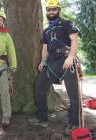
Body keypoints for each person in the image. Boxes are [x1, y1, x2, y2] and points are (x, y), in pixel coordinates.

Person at [28, 0, 80, 135]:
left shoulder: (66, 23)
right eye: (49, 10)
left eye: (54, 9)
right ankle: (42, 118)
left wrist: (71, 57)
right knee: (39, 86)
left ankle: (74, 123)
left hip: (66, 60)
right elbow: (45, 49)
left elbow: (74, 39)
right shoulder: (46, 31)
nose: (51, 12)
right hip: (50, 63)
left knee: (73, 94)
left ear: (59, 10)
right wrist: (42, 62)